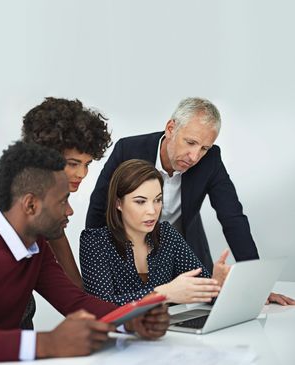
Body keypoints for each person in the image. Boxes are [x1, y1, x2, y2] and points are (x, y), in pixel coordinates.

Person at [0, 142, 169, 364]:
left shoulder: (36, 248)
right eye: (62, 201)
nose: (70, 210)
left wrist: (131, 321)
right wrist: (47, 343)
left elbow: (75, 301)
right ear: (31, 205)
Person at [85, 97, 294, 306]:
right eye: (191, 142)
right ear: (170, 128)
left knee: (189, 309)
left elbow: (233, 218)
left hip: (176, 249)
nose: (194, 156)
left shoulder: (210, 161)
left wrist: (255, 284)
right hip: (126, 252)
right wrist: (98, 259)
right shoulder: (129, 149)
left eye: (204, 148)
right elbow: (100, 205)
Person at [0, 97, 113, 328]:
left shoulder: (47, 198)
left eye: (87, 164)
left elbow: (67, 273)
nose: (82, 173)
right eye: (73, 164)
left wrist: (88, 304)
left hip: (19, 323)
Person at [81, 159, 230, 305]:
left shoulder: (167, 235)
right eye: (140, 201)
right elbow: (101, 305)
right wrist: (162, 294)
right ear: (118, 203)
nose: (152, 211)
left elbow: (201, 292)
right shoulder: (95, 242)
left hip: (168, 327)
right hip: (120, 330)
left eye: (157, 200)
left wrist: (216, 285)